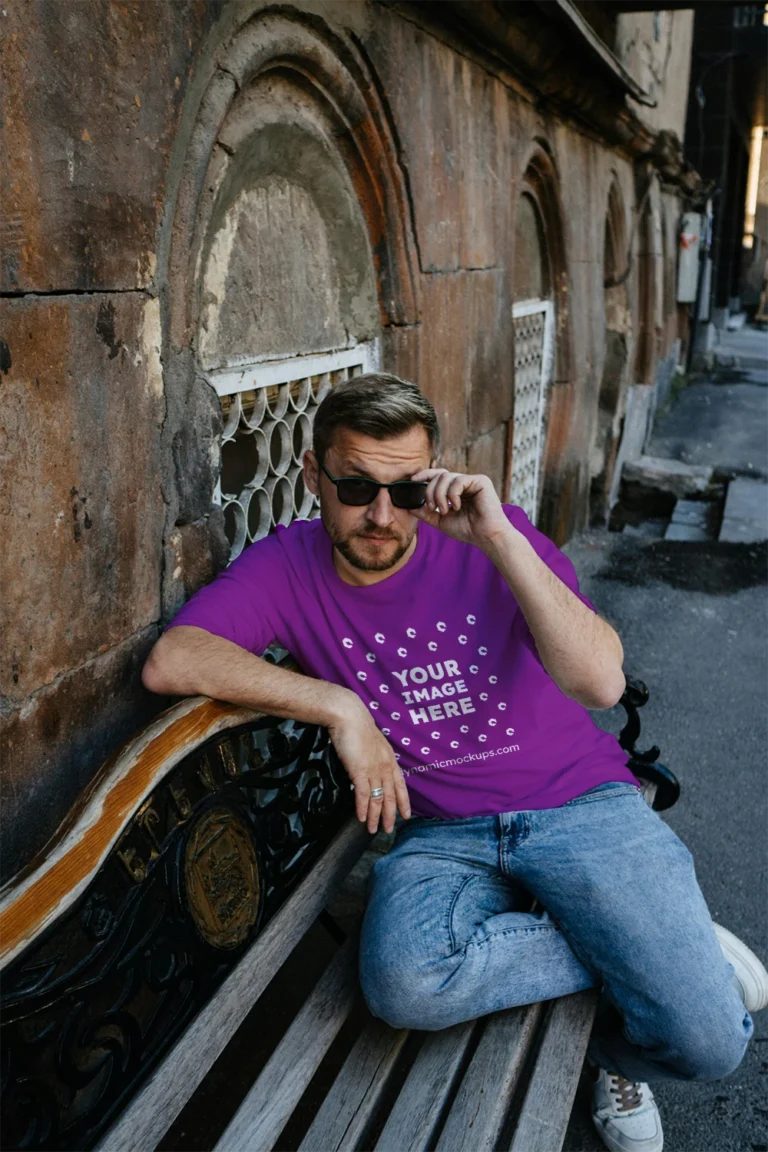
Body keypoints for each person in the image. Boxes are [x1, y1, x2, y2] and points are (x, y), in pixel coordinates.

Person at [142, 373, 767, 1152]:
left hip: (580, 802)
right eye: (355, 486)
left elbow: (601, 681)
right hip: (443, 833)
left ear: (432, 475)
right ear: (312, 477)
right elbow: (174, 659)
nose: (379, 515)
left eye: (403, 492)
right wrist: (341, 707)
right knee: (403, 982)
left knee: (712, 1040)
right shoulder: (288, 566)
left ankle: (616, 1046)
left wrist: (501, 538)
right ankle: (652, 945)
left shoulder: (488, 538)